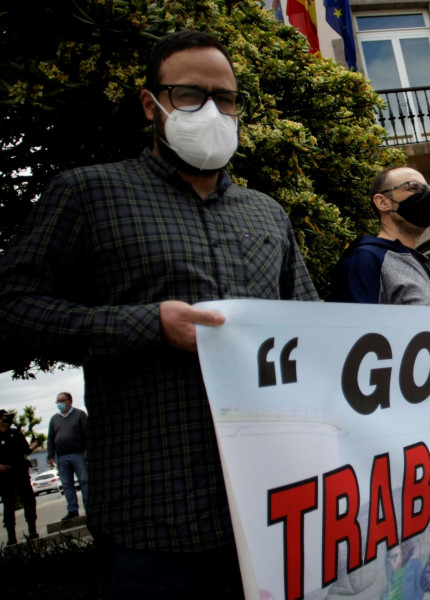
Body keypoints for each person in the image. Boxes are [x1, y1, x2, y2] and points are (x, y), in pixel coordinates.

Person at [0, 31, 319, 597]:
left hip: (278, 509)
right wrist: (146, 325)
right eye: (192, 95)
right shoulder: (88, 194)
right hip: (158, 517)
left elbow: (314, 329)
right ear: (153, 105)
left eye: (226, 99)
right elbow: (14, 307)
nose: (214, 112)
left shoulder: (268, 215)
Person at [331, 165, 430, 315]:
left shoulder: (418, 260)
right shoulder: (365, 258)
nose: (425, 197)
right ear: (382, 202)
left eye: (429, 191)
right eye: (414, 188)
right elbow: (358, 332)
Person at [47, 391, 89, 521]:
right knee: (67, 484)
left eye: (62, 400)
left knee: (84, 481)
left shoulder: (79, 415)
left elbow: (87, 433)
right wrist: (50, 455)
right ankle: (72, 510)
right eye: (58, 401)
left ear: (70, 401)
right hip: (62, 457)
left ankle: (89, 508)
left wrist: (87, 450)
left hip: (78, 455)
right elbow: (50, 438)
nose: (60, 404)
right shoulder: (54, 419)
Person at [0, 409, 39, 545]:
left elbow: (25, 449)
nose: (7, 420)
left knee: (29, 500)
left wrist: (32, 447)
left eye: (8, 418)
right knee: (8, 505)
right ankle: (11, 536)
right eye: (4, 418)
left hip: (20, 471)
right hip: (5, 476)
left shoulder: (15, 433)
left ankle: (32, 530)